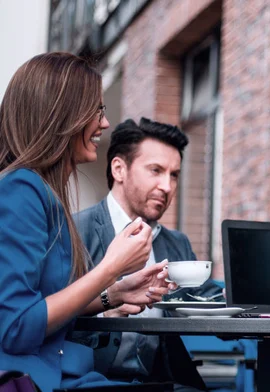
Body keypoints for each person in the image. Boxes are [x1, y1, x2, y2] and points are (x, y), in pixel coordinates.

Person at [0, 52, 172, 392]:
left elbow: (47, 306)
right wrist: (110, 267)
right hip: (38, 380)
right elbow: (16, 327)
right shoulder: (21, 191)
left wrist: (114, 294)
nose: (104, 123)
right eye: (96, 110)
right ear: (60, 115)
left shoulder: (46, 194)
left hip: (65, 373)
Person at [72, 118, 222, 391]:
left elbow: (209, 298)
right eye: (156, 170)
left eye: (174, 175)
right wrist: (105, 314)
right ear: (119, 169)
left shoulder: (175, 243)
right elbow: (49, 320)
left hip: (161, 381)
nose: (167, 186)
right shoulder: (74, 232)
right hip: (89, 378)